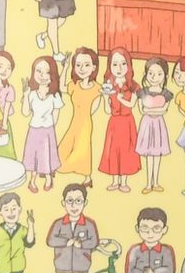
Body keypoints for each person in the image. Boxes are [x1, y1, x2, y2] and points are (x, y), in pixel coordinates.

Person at [57, 48, 102, 189]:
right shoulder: (75, 85)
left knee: (82, 149)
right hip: (74, 122)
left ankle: (87, 177)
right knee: (65, 145)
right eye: (78, 65)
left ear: (94, 67)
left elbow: (93, 109)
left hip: (85, 123)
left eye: (86, 65)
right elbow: (61, 87)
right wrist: (65, 67)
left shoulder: (98, 89)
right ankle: (55, 165)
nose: (82, 68)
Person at [100, 48, 142, 193]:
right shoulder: (109, 85)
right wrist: (105, 97)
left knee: (126, 151)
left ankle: (123, 181)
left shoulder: (134, 86)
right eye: (115, 64)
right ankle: (114, 181)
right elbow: (107, 110)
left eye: (123, 64)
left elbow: (132, 105)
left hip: (127, 122)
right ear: (109, 66)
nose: (119, 68)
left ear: (129, 65)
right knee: (113, 150)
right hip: (114, 122)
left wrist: (120, 98)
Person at [22, 56, 63, 194]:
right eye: (39, 71)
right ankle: (32, 180)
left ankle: (48, 178)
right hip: (34, 128)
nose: (42, 75)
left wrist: (49, 123)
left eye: (47, 72)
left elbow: (56, 114)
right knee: (33, 155)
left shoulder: (54, 95)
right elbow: (25, 112)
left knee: (46, 155)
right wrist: (25, 95)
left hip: (47, 130)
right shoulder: (32, 94)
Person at [136, 57, 173, 194]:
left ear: (165, 76)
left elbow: (164, 110)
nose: (154, 77)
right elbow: (141, 110)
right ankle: (148, 184)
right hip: (146, 125)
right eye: (151, 73)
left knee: (157, 154)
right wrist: (155, 111)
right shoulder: (142, 92)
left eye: (159, 74)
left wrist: (150, 110)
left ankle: (155, 182)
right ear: (145, 74)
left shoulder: (166, 93)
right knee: (148, 155)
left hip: (158, 126)